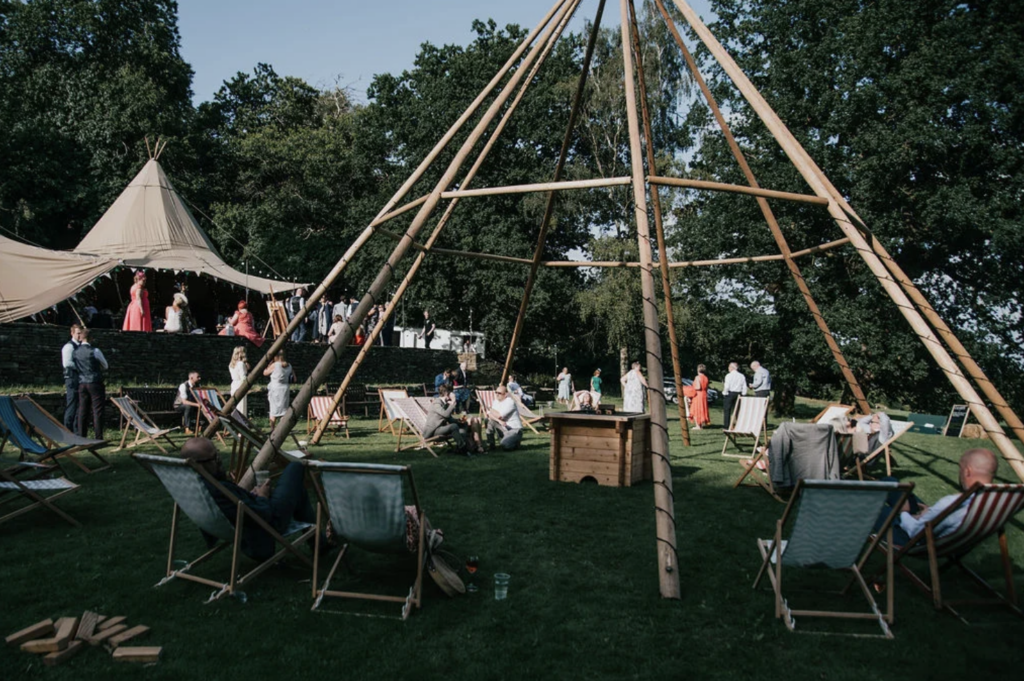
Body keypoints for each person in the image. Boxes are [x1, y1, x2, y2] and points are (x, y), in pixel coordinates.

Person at [179, 437, 317, 560]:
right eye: (214, 458)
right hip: (267, 524)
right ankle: (319, 544)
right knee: (295, 467)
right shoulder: (216, 490)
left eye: (218, 454)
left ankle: (319, 543)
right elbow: (263, 515)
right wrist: (262, 496)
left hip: (251, 519)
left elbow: (238, 507)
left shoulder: (197, 486)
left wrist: (251, 496)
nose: (219, 461)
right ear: (198, 464)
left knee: (296, 489)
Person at [876, 449, 999, 546]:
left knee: (871, 506)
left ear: (967, 471)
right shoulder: (996, 501)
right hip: (938, 531)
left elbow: (915, 532)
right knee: (890, 482)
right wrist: (926, 514)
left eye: (960, 468)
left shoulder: (953, 502)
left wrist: (904, 512)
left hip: (913, 539)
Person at [423, 386, 484, 454]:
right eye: (451, 393)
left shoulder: (444, 403)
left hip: (440, 428)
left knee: (463, 425)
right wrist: (453, 402)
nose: (453, 394)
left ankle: (464, 448)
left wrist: (460, 421)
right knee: (453, 426)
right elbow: (445, 414)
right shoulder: (437, 403)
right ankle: (463, 448)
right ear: (446, 393)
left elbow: (449, 419)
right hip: (433, 431)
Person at [73, 328, 108, 439]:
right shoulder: (95, 351)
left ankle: (81, 435)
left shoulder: (75, 352)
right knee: (97, 410)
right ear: (91, 338)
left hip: (82, 382)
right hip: (94, 381)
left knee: (83, 409)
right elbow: (105, 365)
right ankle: (98, 436)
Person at [485, 385, 523, 451]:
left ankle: (515, 442)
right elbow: (489, 415)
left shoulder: (510, 402)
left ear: (505, 394)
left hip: (513, 429)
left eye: (499, 393)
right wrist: (499, 421)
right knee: (488, 421)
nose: (497, 395)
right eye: (496, 392)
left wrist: (490, 409)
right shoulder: (496, 402)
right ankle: (491, 445)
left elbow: (499, 415)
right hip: (503, 427)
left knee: (505, 446)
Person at [264, 350, 295, 428]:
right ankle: (281, 428)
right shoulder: (289, 365)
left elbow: (265, 373)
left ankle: (272, 429)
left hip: (275, 388)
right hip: (285, 388)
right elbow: (294, 378)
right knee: (283, 410)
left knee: (273, 410)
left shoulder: (275, 365)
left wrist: (268, 365)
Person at [61, 324, 82, 431]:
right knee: (72, 405)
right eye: (78, 333)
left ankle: (76, 430)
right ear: (72, 333)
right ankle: (67, 430)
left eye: (81, 333)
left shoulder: (81, 346)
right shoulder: (69, 347)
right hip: (72, 378)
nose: (80, 336)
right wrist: (82, 367)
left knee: (79, 406)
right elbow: (67, 363)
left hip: (79, 379)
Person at [721, 362, 747, 429]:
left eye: (729, 367)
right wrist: (743, 394)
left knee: (727, 410)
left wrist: (724, 393)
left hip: (730, 393)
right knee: (738, 410)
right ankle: (739, 425)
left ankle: (727, 425)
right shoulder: (741, 376)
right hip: (738, 393)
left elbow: (727, 386)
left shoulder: (728, 376)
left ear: (732, 368)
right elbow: (744, 386)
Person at [688, 364, 712, 429]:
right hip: (704, 394)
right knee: (702, 409)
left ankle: (698, 426)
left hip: (698, 395)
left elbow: (698, 387)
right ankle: (701, 424)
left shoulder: (697, 377)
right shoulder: (706, 378)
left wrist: (691, 389)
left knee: (696, 409)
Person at [228, 346, 249, 417]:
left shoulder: (231, 365)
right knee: (241, 406)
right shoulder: (240, 364)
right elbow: (243, 377)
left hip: (234, 385)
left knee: (235, 405)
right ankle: (242, 422)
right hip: (240, 385)